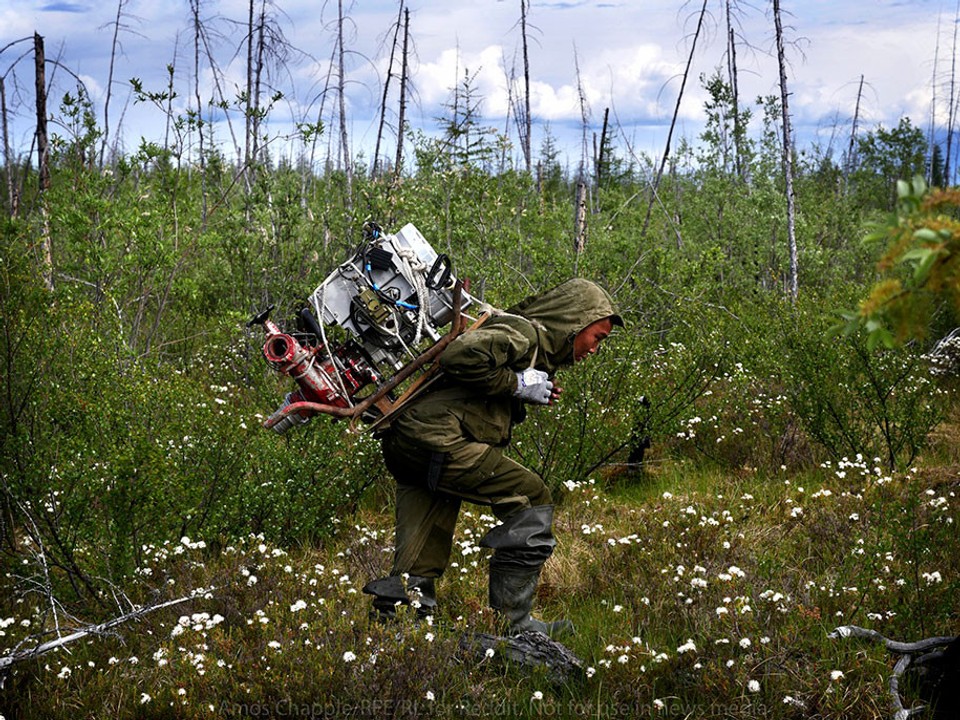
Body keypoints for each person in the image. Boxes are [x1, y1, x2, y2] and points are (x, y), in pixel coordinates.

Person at [362, 278, 623, 636]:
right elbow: (460, 357)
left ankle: (398, 632)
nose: (595, 348)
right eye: (598, 337)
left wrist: (523, 389)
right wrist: (516, 385)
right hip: (436, 440)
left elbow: (476, 382)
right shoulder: (524, 333)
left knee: (422, 544)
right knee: (531, 497)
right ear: (575, 322)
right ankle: (515, 626)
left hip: (410, 442)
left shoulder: (527, 344)